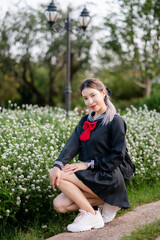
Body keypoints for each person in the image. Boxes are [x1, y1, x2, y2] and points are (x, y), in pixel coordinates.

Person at [49, 78, 135, 232]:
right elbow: (72, 144)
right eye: (85, 98)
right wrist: (57, 164)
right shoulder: (85, 121)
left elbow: (117, 155)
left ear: (103, 93)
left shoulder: (115, 121)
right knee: (59, 205)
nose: (90, 101)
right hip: (92, 175)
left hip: (108, 174)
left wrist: (88, 164)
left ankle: (90, 214)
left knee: (61, 176)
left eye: (93, 95)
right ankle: (104, 205)